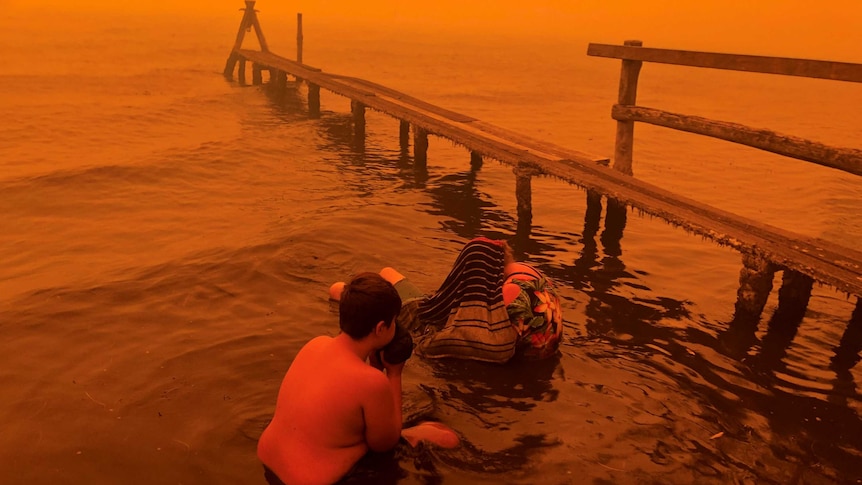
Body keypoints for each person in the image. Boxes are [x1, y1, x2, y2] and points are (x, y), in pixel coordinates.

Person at [258, 272, 459, 485]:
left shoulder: (315, 344)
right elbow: (386, 443)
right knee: (446, 437)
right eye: (393, 322)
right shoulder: (371, 382)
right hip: (307, 480)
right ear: (381, 328)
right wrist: (393, 374)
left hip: (269, 462)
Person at [329, 237, 564, 364]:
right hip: (546, 351)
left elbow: (469, 328)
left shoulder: (505, 298)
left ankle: (352, 294)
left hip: (426, 317)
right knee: (388, 272)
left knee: (338, 289)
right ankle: (363, 291)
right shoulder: (528, 273)